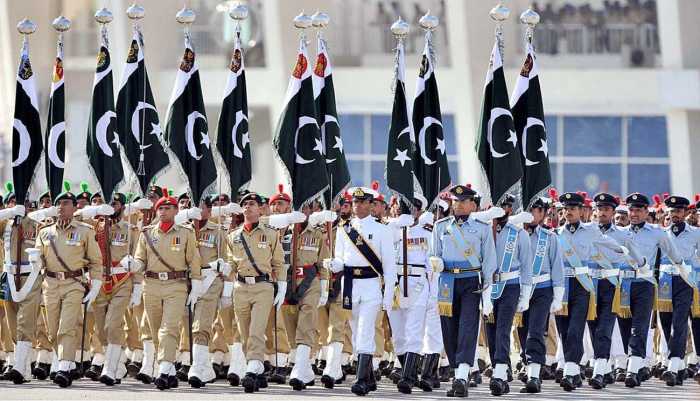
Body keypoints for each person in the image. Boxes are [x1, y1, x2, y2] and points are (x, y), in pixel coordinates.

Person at [555, 192, 632, 391]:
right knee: (565, 331)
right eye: (566, 209)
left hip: (585, 286)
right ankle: (590, 370)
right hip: (562, 288)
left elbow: (610, 244)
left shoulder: (591, 231)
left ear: (582, 211)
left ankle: (574, 372)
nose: (568, 212)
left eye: (573, 208)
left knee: (580, 330)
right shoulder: (556, 234)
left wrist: (623, 253)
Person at [325, 186, 396, 396]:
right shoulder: (343, 228)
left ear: (371, 204)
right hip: (350, 285)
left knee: (365, 331)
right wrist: (334, 264)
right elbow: (340, 257)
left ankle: (361, 380)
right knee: (356, 333)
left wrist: (389, 294)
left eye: (362, 202)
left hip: (371, 285)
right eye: (355, 202)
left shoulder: (382, 230)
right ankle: (370, 377)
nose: (358, 206)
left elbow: (390, 266)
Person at [132, 188, 203, 390]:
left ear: (175, 211)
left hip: (176, 285)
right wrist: (133, 265)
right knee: (155, 329)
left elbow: (193, 259)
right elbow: (140, 259)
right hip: (151, 284)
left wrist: (196, 284)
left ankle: (163, 369)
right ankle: (170, 368)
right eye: (160, 208)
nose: (163, 211)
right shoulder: (146, 233)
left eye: (167, 208)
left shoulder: (185, 233)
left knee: (169, 327)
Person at [430, 184, 497, 398]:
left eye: (461, 201)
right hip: (448, 280)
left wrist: (487, 293)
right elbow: (433, 254)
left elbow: (489, 262)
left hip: (471, 280)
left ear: (473, 205)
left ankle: (461, 376)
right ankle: (455, 371)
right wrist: (435, 262)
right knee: (448, 329)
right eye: (454, 201)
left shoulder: (482, 228)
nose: (456, 205)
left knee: (468, 328)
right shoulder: (440, 226)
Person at [32, 189, 103, 387]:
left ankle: (64, 366)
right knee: (52, 329)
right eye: (59, 204)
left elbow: (96, 261)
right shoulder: (45, 232)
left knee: (67, 325)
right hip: (50, 283)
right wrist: (35, 260)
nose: (62, 207)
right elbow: (38, 258)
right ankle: (66, 362)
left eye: (66, 204)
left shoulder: (85, 231)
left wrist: (96, 284)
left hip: (74, 283)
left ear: (74, 208)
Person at [225, 192, 286, 393]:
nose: (248, 207)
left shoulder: (270, 233)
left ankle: (251, 369)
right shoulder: (233, 236)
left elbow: (278, 262)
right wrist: (225, 270)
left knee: (256, 330)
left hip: (263, 287)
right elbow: (232, 263)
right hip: (241, 287)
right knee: (243, 332)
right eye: (244, 204)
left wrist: (282, 286)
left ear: (260, 209)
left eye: (252, 204)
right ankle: (258, 369)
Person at [621, 192, 683, 387]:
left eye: (638, 209)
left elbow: (672, 252)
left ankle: (632, 368)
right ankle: (638, 365)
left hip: (645, 284)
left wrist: (682, 269)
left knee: (639, 327)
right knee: (624, 328)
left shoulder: (656, 232)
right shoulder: (620, 231)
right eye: (631, 209)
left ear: (646, 211)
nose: (634, 213)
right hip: (623, 285)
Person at [588, 193, 645, 389]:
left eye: (606, 209)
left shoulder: (623, 234)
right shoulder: (586, 230)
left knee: (604, 328)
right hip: (588, 284)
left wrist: (641, 262)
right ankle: (605, 368)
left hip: (611, 284)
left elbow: (638, 258)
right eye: (599, 209)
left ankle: (598, 371)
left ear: (613, 212)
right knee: (593, 328)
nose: (602, 213)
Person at [91, 193, 141, 386]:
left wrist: (137, 285)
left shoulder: (129, 229)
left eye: (116, 203)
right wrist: (95, 211)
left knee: (113, 324)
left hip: (122, 281)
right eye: (109, 203)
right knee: (101, 329)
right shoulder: (95, 227)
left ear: (122, 206)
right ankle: (118, 361)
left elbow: (139, 258)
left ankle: (110, 369)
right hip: (99, 280)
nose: (112, 206)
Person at [519, 197, 564, 393]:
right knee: (521, 331)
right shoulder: (515, 234)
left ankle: (534, 374)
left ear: (543, 213)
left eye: (536, 209)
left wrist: (557, 296)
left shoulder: (550, 237)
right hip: (518, 289)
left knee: (536, 330)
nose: (531, 213)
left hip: (541, 289)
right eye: (528, 209)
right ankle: (526, 364)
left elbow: (557, 267)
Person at [386, 199, 432, 394]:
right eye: (404, 208)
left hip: (418, 283)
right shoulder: (390, 231)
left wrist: (432, 294)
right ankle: (411, 369)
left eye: (414, 209)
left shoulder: (427, 233)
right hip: (395, 285)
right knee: (398, 335)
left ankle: (408, 377)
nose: (409, 213)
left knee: (414, 331)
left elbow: (432, 264)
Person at [285, 203, 330, 391]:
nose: (303, 213)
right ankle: (305, 368)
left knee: (307, 321)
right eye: (300, 208)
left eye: (306, 209)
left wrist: (324, 285)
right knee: (290, 322)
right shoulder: (282, 231)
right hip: (287, 281)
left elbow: (323, 261)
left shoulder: (317, 234)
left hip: (310, 282)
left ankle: (299, 368)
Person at [657, 195, 698, 386]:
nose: (675, 214)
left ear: (686, 212)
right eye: (672, 211)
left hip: (685, 281)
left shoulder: (695, 233)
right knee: (666, 324)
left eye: (679, 211)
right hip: (664, 282)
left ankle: (672, 365)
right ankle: (680, 366)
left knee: (679, 322)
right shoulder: (660, 234)